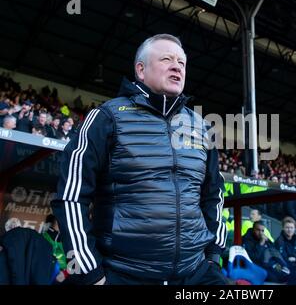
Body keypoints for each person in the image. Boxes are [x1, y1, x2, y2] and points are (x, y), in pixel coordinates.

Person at [51, 34, 227, 285]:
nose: (177, 66)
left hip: (197, 272)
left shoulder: (202, 128)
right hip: (121, 274)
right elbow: (71, 197)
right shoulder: (106, 117)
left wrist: (213, 255)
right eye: (166, 59)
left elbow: (214, 195)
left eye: (182, 62)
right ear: (140, 70)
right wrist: (91, 274)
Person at [274, 217, 296, 284]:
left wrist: (295, 258)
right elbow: (281, 259)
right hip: (287, 269)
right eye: (287, 227)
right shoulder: (279, 242)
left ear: (294, 228)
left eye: (291, 228)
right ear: (283, 228)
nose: (289, 230)